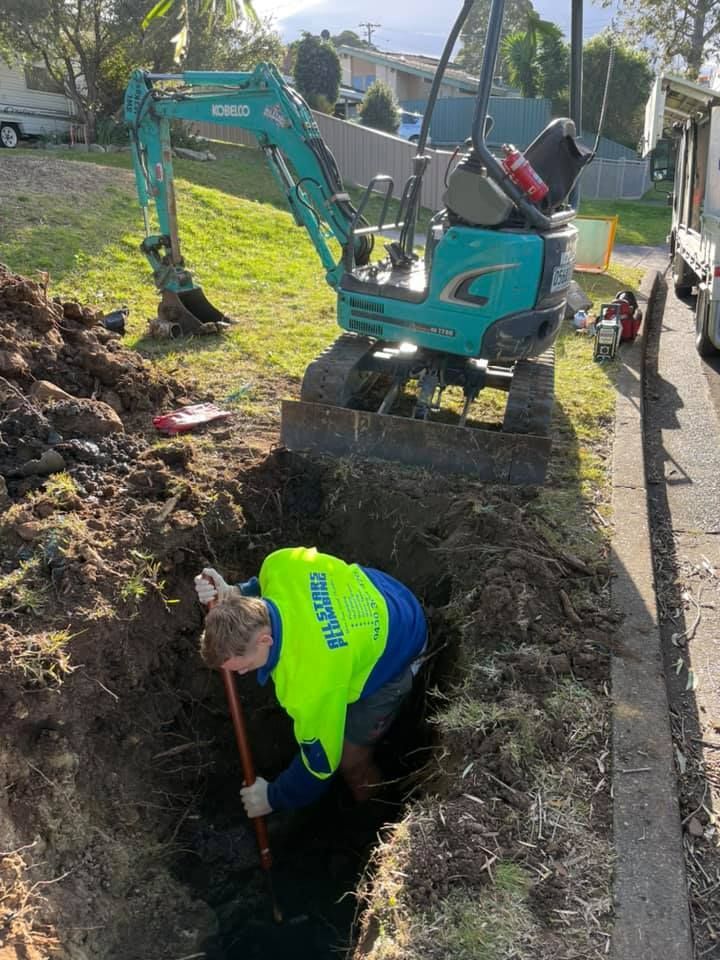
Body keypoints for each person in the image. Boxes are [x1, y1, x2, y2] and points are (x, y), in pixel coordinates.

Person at [194, 546, 427, 819]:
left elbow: (322, 763)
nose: (242, 674)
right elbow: (261, 586)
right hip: (383, 594)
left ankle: (375, 817)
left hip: (402, 645)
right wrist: (233, 592)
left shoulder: (308, 685)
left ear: (265, 640)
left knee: (350, 761)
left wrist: (273, 796)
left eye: (244, 667)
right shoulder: (280, 565)